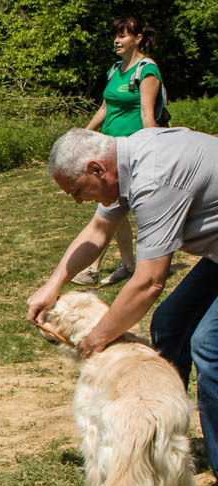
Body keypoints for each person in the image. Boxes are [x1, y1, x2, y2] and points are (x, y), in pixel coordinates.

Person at [27, 127, 218, 486]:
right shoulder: (127, 162)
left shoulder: (155, 179)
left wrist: (95, 338)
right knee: (170, 323)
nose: (78, 201)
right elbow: (98, 232)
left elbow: (149, 283)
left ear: (97, 169)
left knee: (209, 347)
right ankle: (153, 442)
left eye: (77, 191)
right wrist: (53, 284)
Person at [71, 16, 164, 288]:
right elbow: (105, 107)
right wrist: (85, 133)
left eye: (122, 35)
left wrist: (155, 149)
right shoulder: (115, 69)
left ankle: (93, 268)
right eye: (115, 35)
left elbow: (147, 114)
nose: (117, 40)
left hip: (133, 150)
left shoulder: (147, 70)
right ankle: (127, 264)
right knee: (113, 205)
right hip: (109, 150)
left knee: (110, 205)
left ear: (138, 39)